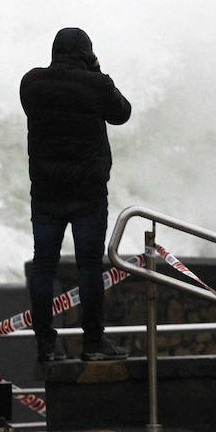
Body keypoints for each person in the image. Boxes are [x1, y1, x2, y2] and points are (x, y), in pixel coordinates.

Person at [20, 27, 132, 363]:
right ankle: (94, 344)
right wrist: (96, 70)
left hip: (46, 193)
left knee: (43, 267)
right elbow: (121, 113)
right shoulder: (97, 85)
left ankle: (46, 346)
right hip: (87, 195)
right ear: (86, 52)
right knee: (88, 268)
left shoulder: (32, 83)